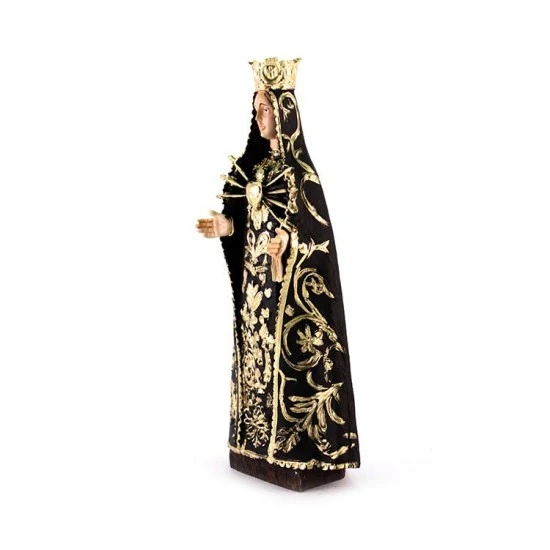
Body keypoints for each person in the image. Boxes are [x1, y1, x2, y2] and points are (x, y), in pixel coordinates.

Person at [196, 57, 360, 476]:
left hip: (284, 290)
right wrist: (226, 226)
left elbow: (314, 232)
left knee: (284, 362)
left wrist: (287, 242)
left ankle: (293, 450)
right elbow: (248, 218)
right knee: (254, 357)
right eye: (256, 109)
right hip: (255, 287)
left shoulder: (299, 174)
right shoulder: (257, 165)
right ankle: (252, 445)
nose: (260, 117)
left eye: (266, 109)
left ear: (284, 113)